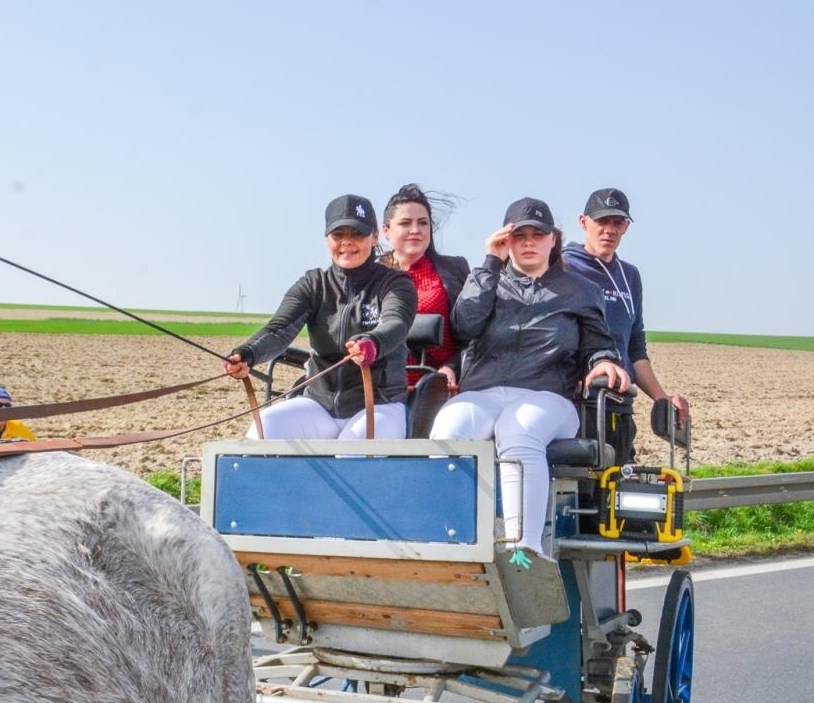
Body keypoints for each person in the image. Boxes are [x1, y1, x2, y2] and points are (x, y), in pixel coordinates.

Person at [430, 197, 630, 557]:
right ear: (505, 240)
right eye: (518, 235)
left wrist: (603, 361)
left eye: (537, 235)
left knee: (517, 429)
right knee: (449, 428)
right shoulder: (487, 281)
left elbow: (598, 345)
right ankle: (450, 543)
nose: (528, 243)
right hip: (484, 391)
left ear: (553, 239)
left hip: (549, 396)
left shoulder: (580, 291)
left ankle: (524, 551)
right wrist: (490, 263)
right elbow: (465, 327)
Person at [224, 194, 417, 440]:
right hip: (319, 405)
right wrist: (247, 353)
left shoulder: (396, 284)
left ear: (375, 236)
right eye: (338, 234)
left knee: (353, 449)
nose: (347, 242)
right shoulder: (313, 284)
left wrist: (373, 342)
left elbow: (395, 323)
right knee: (266, 425)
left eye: (357, 233)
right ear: (327, 239)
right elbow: (278, 329)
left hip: (381, 405)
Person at [562, 187, 690, 459]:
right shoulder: (562, 267)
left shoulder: (629, 276)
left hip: (619, 405)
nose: (609, 230)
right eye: (601, 221)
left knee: (620, 480)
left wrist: (662, 398)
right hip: (574, 406)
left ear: (626, 227)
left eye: (617, 222)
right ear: (583, 222)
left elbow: (635, 346)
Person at [376, 183, 471, 389]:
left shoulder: (455, 270)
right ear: (386, 230)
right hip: (382, 389)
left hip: (440, 387)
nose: (415, 230)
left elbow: (474, 335)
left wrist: (452, 367)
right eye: (405, 223)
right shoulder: (371, 276)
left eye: (423, 223)